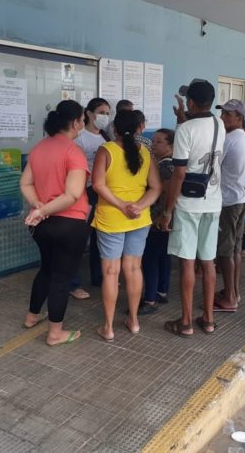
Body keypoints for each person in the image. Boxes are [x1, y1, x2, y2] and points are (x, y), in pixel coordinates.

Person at [20, 100, 91, 346]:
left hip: (43, 226)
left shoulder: (39, 148)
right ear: (75, 122)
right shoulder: (73, 152)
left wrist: (39, 207)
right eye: (83, 119)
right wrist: (43, 210)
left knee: (47, 270)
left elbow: (25, 183)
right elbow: (72, 195)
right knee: (62, 278)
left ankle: (32, 317)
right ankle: (55, 333)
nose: (83, 123)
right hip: (68, 226)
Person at [157, 79, 224, 337]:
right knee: (208, 262)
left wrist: (167, 210)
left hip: (188, 204)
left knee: (187, 262)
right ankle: (207, 319)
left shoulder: (185, 130)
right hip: (213, 201)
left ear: (192, 102)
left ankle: (185, 322)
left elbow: (179, 174)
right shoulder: (219, 125)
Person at [92, 110, 161, 341]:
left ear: (114, 129)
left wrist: (122, 206)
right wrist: (138, 206)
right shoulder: (146, 153)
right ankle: (133, 321)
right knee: (133, 269)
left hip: (111, 219)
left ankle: (108, 328)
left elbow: (98, 186)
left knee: (111, 272)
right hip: (139, 220)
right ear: (140, 128)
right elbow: (155, 188)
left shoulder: (106, 150)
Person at [213, 99, 245, 312]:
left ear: (239, 118)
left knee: (225, 252)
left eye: (228, 115)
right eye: (223, 114)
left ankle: (229, 298)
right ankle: (234, 291)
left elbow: (213, 165)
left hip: (227, 201)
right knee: (236, 249)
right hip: (239, 199)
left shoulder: (229, 139)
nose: (223, 118)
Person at [70, 97, 111, 297]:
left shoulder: (105, 137)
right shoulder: (79, 138)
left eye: (107, 113)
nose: (105, 117)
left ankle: (99, 277)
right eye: (101, 112)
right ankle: (73, 283)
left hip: (101, 191)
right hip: (84, 192)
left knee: (99, 237)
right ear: (88, 113)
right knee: (79, 238)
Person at [141, 128, 175, 311]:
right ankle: (161, 291)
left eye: (158, 142)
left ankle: (149, 299)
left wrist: (163, 215)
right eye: (153, 141)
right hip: (163, 218)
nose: (153, 145)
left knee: (150, 257)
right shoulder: (166, 163)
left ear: (170, 145)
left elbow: (168, 193)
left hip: (158, 218)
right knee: (163, 255)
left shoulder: (165, 166)